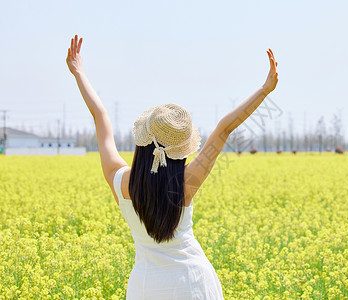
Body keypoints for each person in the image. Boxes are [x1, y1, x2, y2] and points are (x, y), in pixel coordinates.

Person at [66, 34, 278, 299]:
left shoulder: (120, 183)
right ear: (180, 153)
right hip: (194, 283)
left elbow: (100, 116)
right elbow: (224, 129)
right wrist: (264, 90)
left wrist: (78, 72)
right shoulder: (186, 184)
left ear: (143, 142)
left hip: (147, 288)